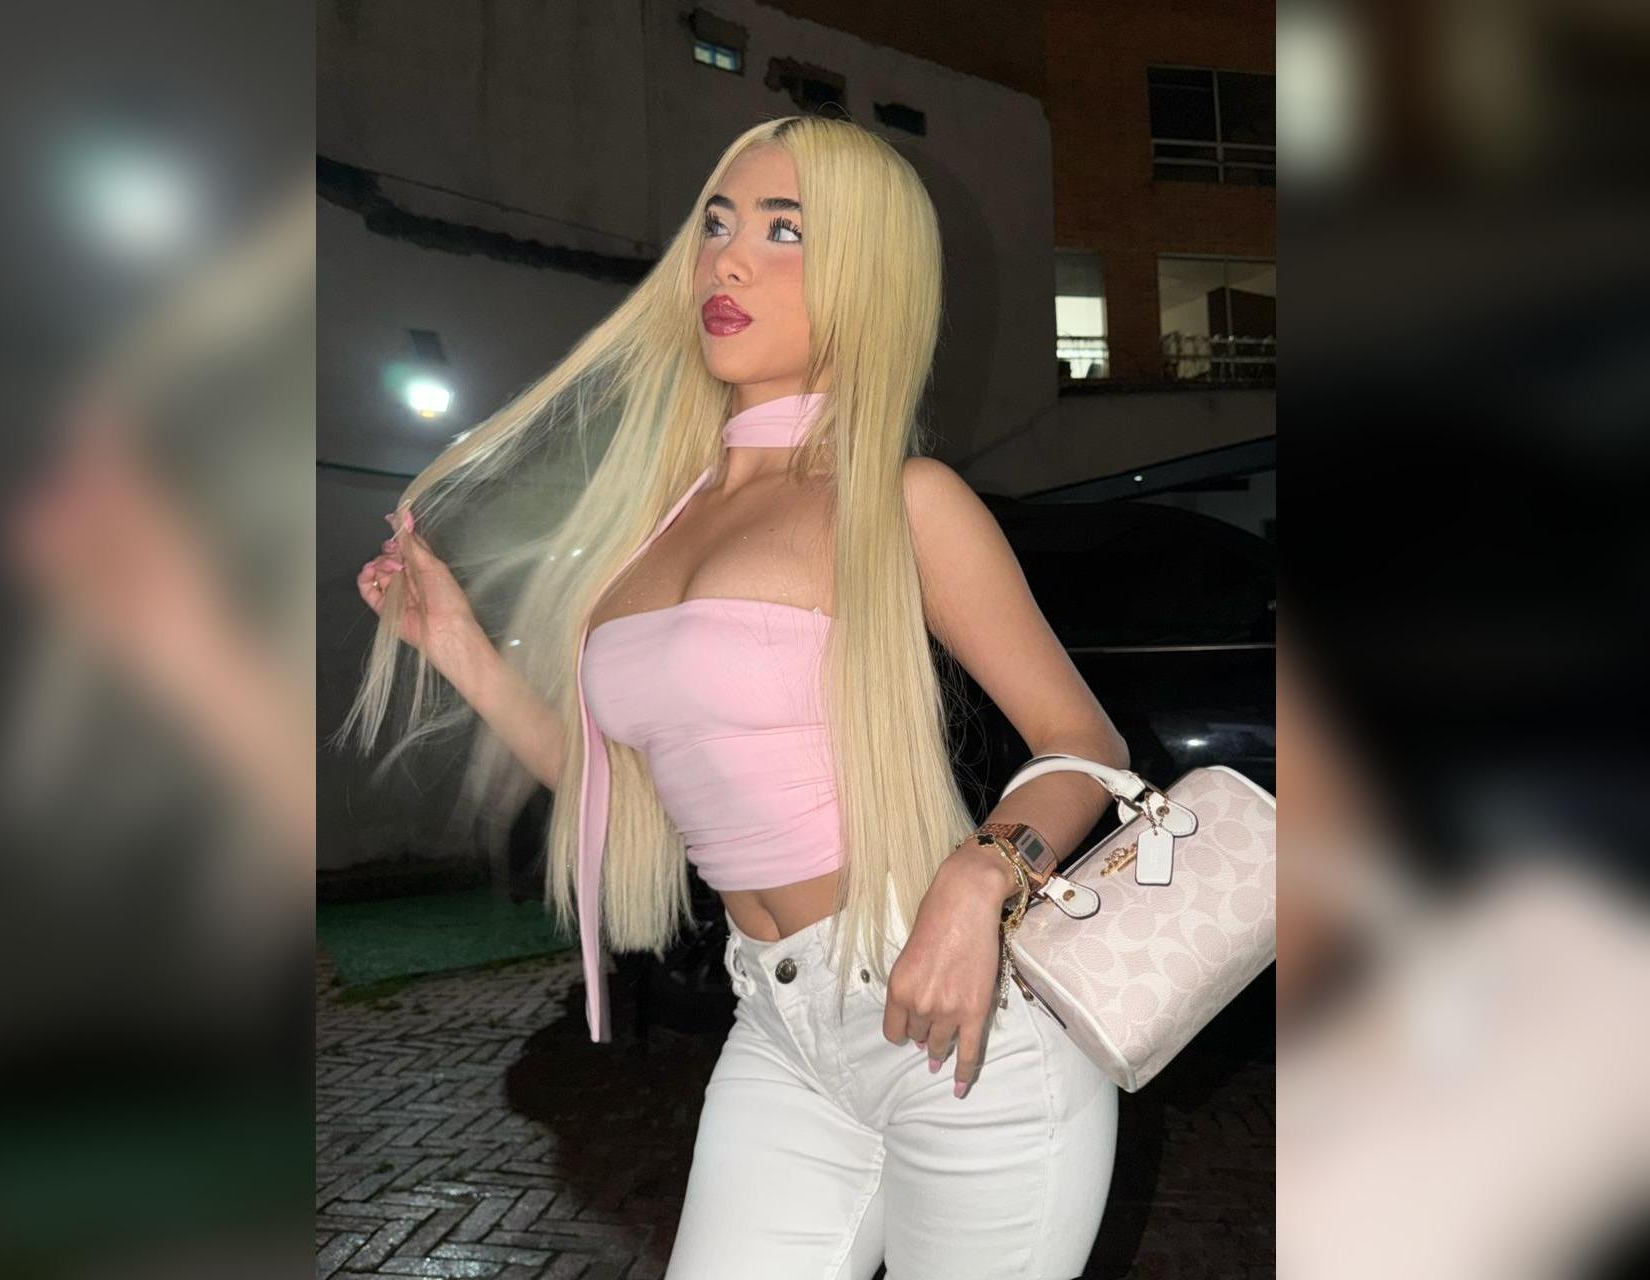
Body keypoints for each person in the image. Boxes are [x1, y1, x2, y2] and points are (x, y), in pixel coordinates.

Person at [344, 115, 1124, 1279]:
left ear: (864, 272)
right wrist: (455, 643)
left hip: (965, 1028)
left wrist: (980, 876)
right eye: (717, 224)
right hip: (776, 1024)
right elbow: (631, 798)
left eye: (782, 231)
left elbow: (1082, 738)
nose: (728, 260)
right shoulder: (660, 521)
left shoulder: (900, 498)